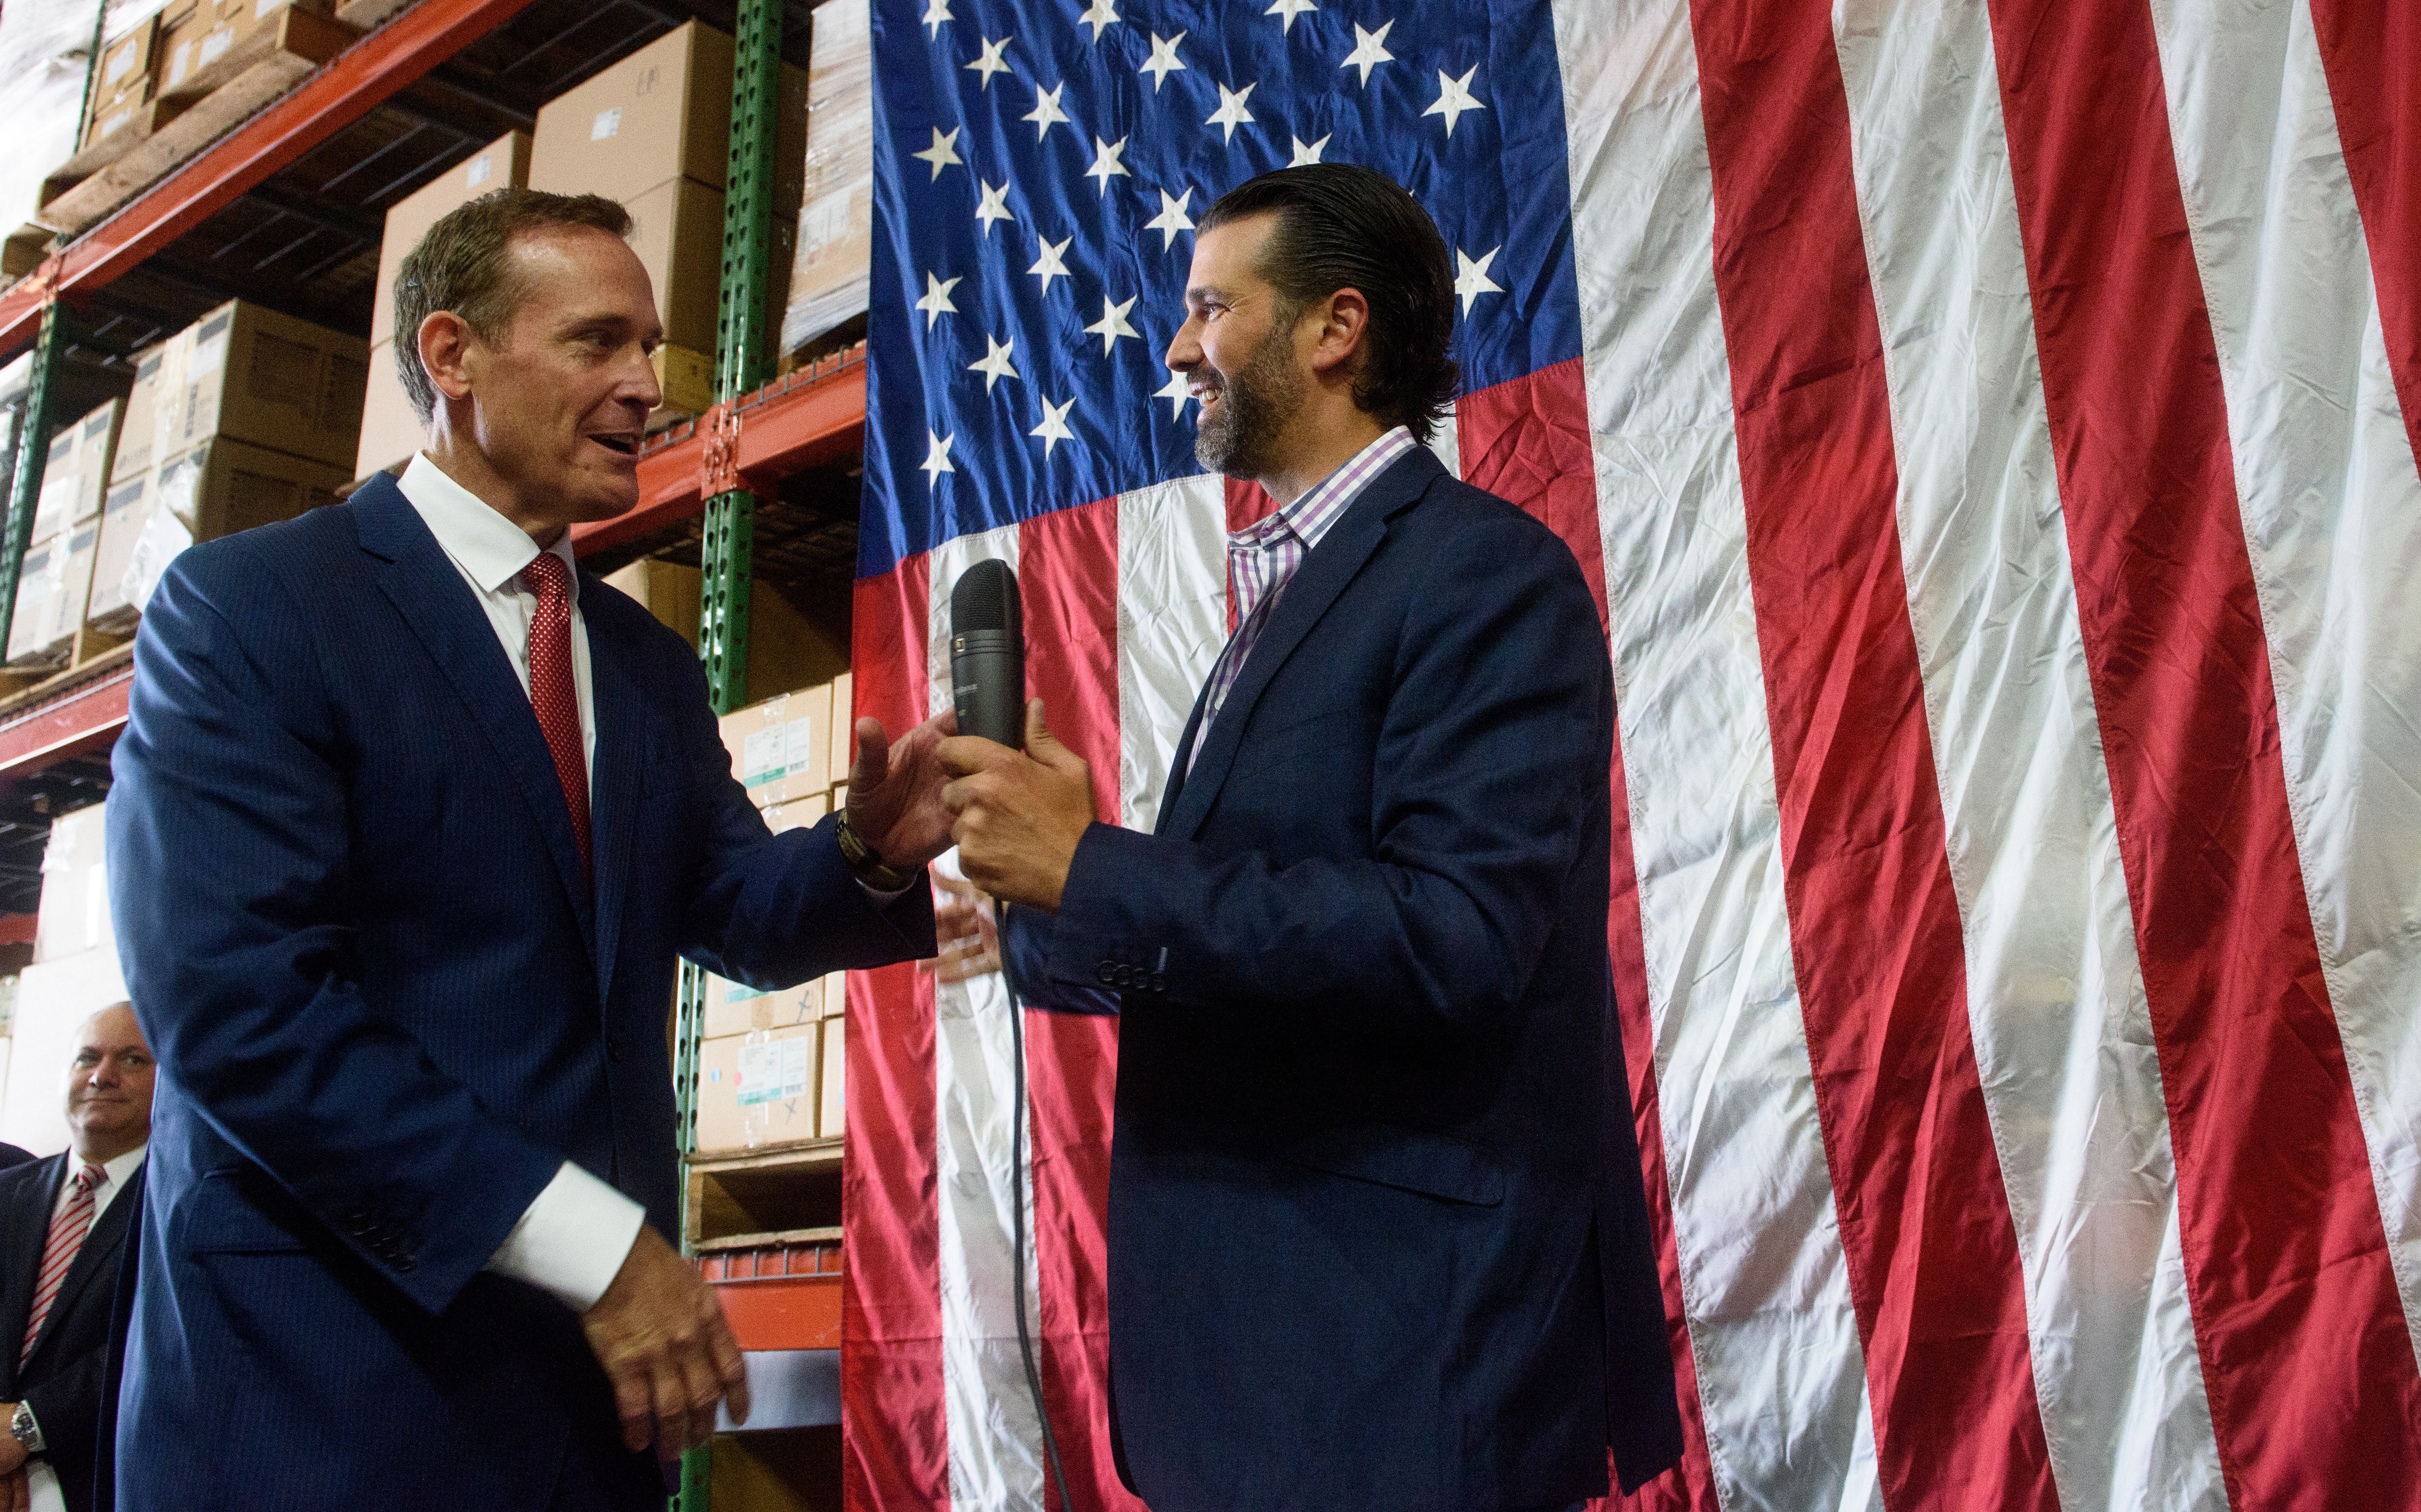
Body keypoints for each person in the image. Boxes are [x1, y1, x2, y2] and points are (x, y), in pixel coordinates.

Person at [106, 188, 954, 1510]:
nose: (645, 390)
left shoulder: (644, 664)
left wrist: (870, 853)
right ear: (452, 358)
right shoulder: (254, 612)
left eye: (652, 353)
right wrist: (600, 1250)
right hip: (329, 1398)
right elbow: (240, 1011)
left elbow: (731, 906)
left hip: (578, 1410)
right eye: (596, 344)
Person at [941, 165, 1685, 1511]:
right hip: (1267, 1376)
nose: (1177, 348)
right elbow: (1238, 937)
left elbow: (1451, 939)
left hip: (1394, 1371)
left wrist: (1097, 868)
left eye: (1209, 307)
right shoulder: (1285, 597)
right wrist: (1033, 909)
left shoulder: (1478, 572)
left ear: (1335, 329)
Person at [0, 1003, 155, 1512]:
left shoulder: (178, 1205)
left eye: (132, 1060)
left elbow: (154, 1340)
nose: (102, 1076)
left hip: (104, 1481)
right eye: (87, 1058)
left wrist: (28, 1426)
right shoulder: (7, 1192)